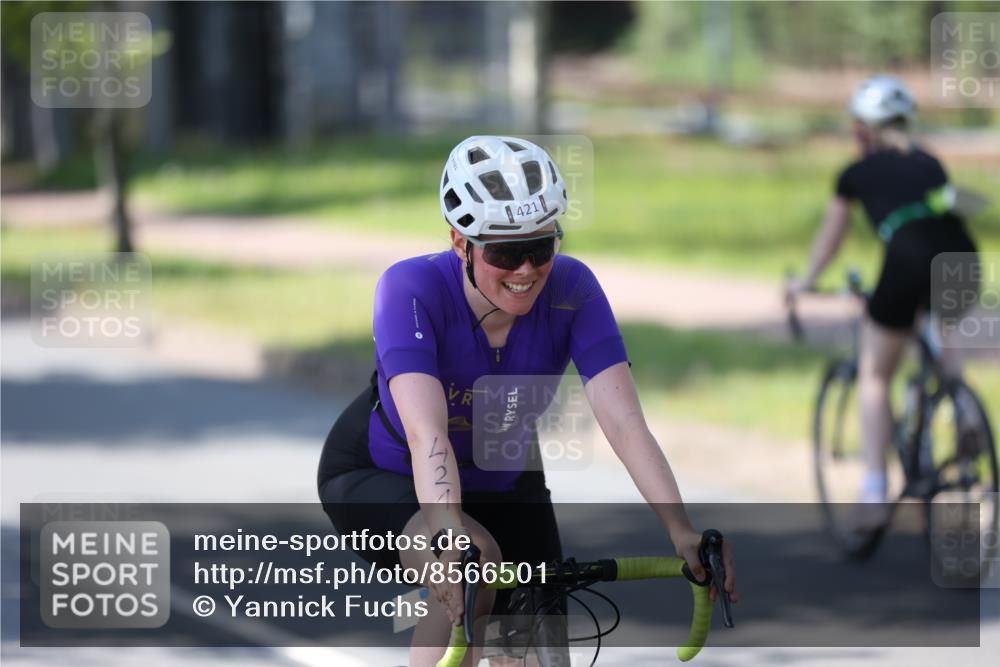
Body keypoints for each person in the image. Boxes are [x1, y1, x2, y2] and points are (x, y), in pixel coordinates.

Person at [318, 135, 737, 667]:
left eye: (540, 248)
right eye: (505, 252)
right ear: (459, 243)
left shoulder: (573, 289)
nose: (526, 270)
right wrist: (448, 540)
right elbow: (429, 435)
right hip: (384, 472)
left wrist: (681, 530)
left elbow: (625, 421)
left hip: (503, 472)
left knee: (542, 648)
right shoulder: (411, 288)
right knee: (475, 567)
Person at [786, 75, 979, 524]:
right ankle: (965, 410)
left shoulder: (854, 173)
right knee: (939, 326)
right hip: (962, 251)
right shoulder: (931, 162)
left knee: (874, 373)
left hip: (908, 254)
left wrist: (805, 281)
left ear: (861, 130)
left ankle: (874, 484)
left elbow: (831, 239)